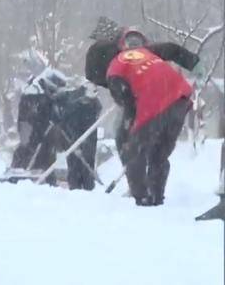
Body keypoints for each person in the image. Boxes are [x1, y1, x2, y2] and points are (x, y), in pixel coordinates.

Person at [85, 18, 200, 206]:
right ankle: (156, 197)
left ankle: (142, 199)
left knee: (134, 152)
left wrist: (131, 130)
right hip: (180, 98)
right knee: (158, 154)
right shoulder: (144, 52)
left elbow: (129, 107)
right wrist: (196, 65)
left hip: (154, 104)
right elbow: (172, 49)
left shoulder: (114, 72)